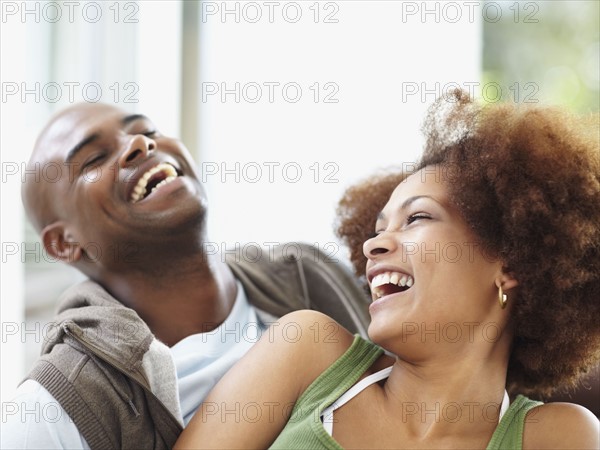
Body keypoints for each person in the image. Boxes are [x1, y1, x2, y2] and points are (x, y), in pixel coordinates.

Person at [175, 90, 600, 449]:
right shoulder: (308, 350)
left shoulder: (560, 435)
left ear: (511, 263)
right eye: (378, 229)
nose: (373, 245)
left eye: (417, 218)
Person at [2, 102, 370, 449]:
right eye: (95, 158)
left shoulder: (309, 275)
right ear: (64, 243)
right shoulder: (53, 410)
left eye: (147, 130)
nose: (140, 144)